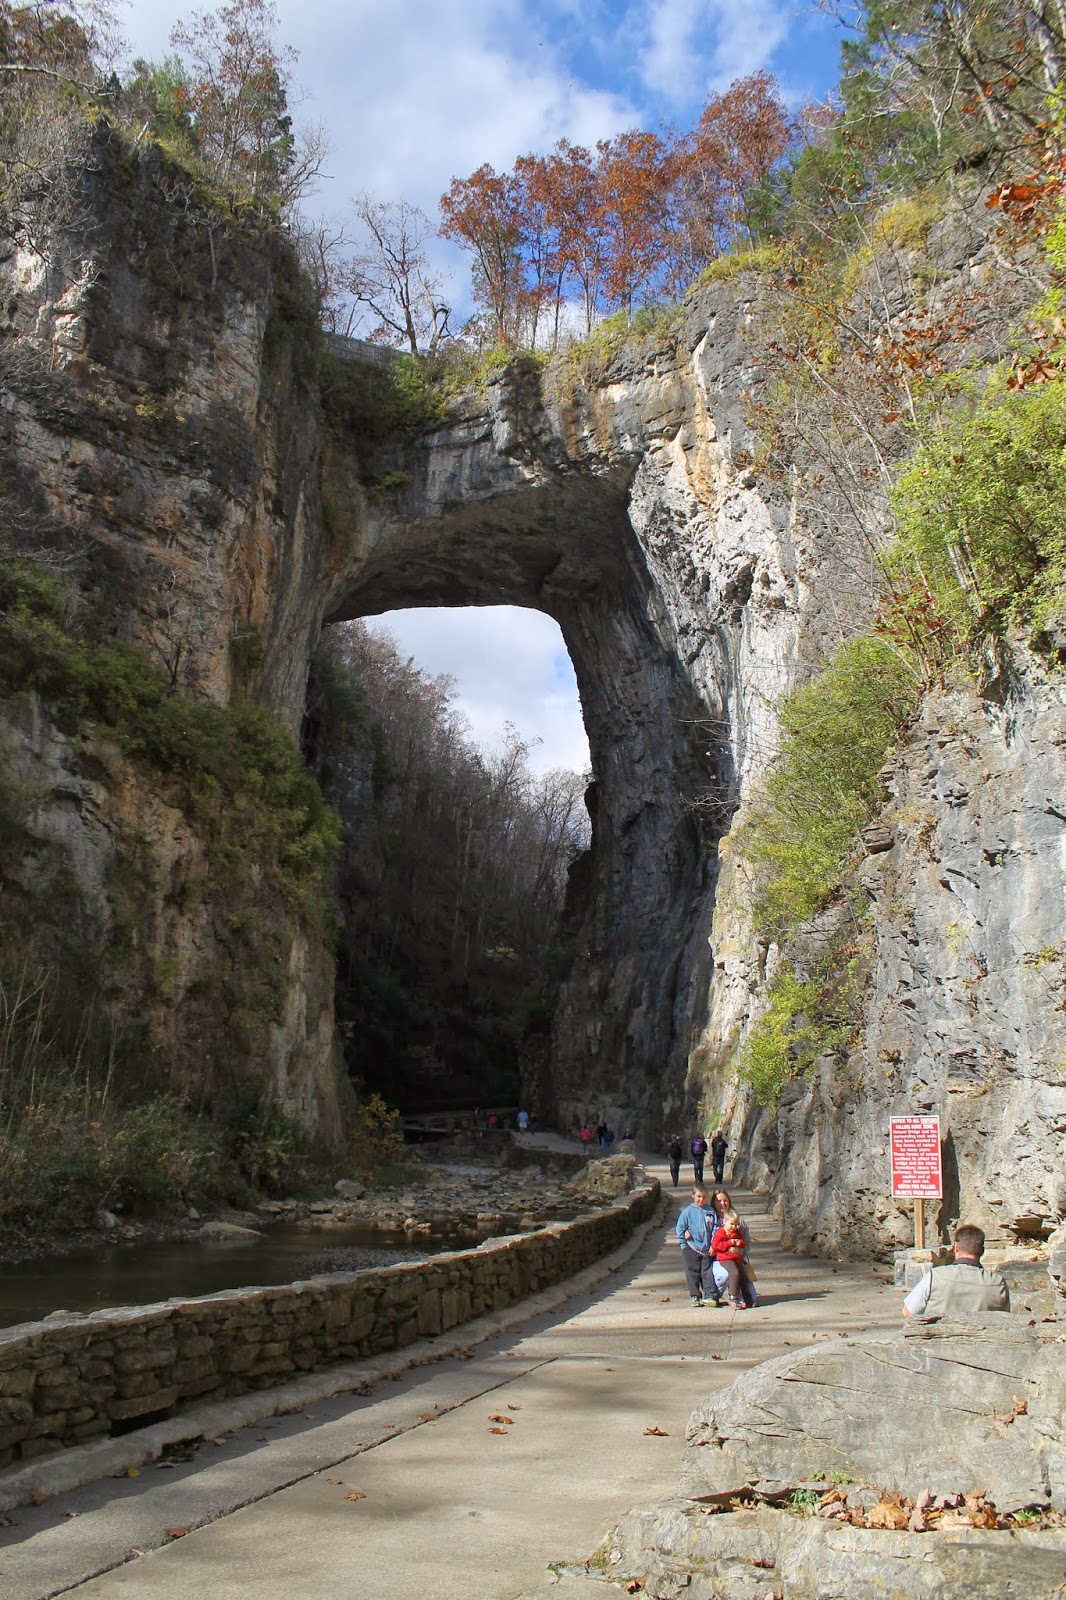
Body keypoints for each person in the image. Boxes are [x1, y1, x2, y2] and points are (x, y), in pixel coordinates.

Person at [902, 1224, 1010, 1318]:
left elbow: (908, 1312)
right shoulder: (998, 1283)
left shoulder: (935, 1276)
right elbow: (1004, 1319)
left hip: (939, 1339)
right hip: (982, 1340)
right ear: (982, 1251)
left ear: (956, 1247)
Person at [675, 1184, 720, 1306]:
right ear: (693, 1195)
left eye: (704, 1197)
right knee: (692, 1272)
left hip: (706, 1248)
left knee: (707, 1272)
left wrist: (713, 1245)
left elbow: (715, 1229)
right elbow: (680, 1228)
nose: (701, 1200)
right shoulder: (687, 1212)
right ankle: (695, 1295)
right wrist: (683, 1245)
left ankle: (710, 1295)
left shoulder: (710, 1211)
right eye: (699, 1196)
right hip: (691, 1247)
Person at [710, 1188, 756, 1306]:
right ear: (714, 1202)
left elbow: (746, 1242)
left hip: (736, 1257)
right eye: (719, 1200)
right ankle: (716, 1294)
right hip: (718, 1259)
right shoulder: (709, 1219)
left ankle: (743, 1297)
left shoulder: (738, 1221)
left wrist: (739, 1250)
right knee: (726, 1273)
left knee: (752, 1295)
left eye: (725, 1200)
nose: (722, 1203)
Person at [711, 1207, 748, 1309]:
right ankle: (733, 1296)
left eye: (736, 1225)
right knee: (734, 1273)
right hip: (724, 1258)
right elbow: (716, 1246)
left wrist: (738, 1243)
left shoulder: (736, 1232)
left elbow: (742, 1242)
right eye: (731, 1224)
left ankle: (745, 1298)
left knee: (742, 1277)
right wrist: (729, 1243)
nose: (734, 1227)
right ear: (724, 1222)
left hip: (735, 1258)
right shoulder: (720, 1232)